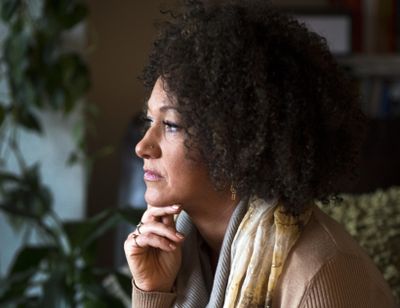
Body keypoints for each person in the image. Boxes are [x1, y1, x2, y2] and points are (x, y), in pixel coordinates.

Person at [124, 1, 396, 307]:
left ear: (235, 141)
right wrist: (152, 291)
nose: (142, 146)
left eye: (171, 125)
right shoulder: (179, 252)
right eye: (150, 121)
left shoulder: (320, 272)